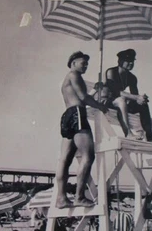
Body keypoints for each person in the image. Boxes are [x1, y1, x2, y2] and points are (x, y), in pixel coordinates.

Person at [56, 51, 108, 209]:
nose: (85, 65)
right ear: (73, 63)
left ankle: (61, 198)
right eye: (82, 63)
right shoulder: (75, 75)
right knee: (88, 155)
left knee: (65, 159)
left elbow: (79, 97)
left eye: (87, 63)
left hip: (68, 115)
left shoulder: (68, 78)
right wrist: (101, 106)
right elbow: (83, 98)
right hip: (78, 114)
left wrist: (94, 91)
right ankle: (79, 196)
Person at [104, 49, 152, 143]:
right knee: (121, 100)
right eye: (128, 61)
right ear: (120, 61)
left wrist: (141, 99)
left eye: (132, 61)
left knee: (142, 105)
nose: (131, 63)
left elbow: (134, 95)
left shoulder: (132, 77)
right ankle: (128, 133)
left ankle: (149, 136)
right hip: (108, 101)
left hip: (121, 103)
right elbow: (115, 91)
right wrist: (136, 97)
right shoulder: (111, 71)